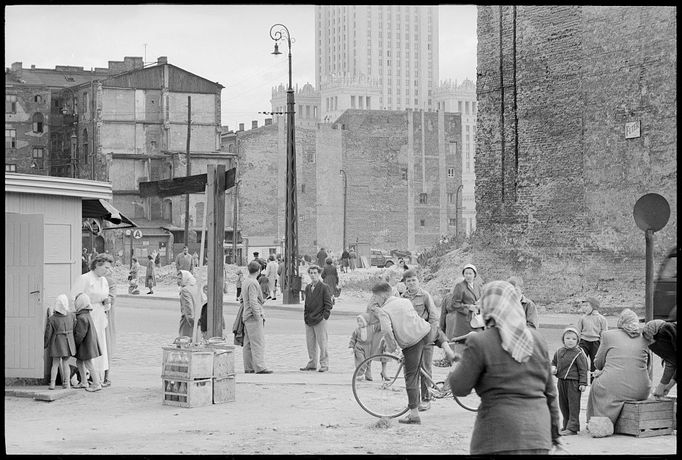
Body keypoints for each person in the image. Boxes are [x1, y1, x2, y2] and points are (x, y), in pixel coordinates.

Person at [447, 280, 561, 454]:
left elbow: (460, 387)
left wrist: (458, 364)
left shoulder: (480, 341)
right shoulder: (537, 340)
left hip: (497, 437)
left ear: (486, 306)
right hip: (538, 436)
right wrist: (554, 433)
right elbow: (550, 393)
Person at [368, 281, 433, 425]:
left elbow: (386, 330)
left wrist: (393, 348)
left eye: (376, 297)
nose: (375, 300)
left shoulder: (384, 310)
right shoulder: (405, 301)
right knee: (423, 367)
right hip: (426, 331)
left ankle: (414, 414)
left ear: (384, 295)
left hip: (412, 343)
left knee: (411, 376)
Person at [400, 269, 455, 412]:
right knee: (413, 370)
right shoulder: (403, 297)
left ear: (418, 281)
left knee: (425, 367)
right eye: (408, 281)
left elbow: (434, 316)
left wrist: (430, 334)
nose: (411, 283)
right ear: (405, 283)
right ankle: (415, 400)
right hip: (412, 337)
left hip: (425, 334)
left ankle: (426, 398)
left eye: (414, 280)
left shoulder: (425, 295)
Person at [586, 308, 651, 426]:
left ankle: (598, 421)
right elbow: (648, 366)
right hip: (641, 390)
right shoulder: (645, 339)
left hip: (613, 388)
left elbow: (598, 363)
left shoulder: (608, 335)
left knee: (596, 383)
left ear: (620, 321)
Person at [71, 252, 113, 388]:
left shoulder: (104, 281)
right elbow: (74, 297)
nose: (108, 270)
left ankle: (98, 375)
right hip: (87, 316)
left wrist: (107, 302)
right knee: (87, 344)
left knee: (99, 344)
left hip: (100, 315)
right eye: (106, 267)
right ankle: (86, 376)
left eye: (109, 268)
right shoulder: (85, 279)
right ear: (97, 265)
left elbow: (106, 300)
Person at [551, 327, 589, 435]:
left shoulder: (579, 353)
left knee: (573, 404)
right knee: (563, 404)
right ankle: (566, 425)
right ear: (563, 339)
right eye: (567, 338)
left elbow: (583, 369)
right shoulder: (559, 351)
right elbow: (553, 362)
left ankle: (573, 427)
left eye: (573, 339)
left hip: (574, 383)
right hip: (561, 381)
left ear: (577, 340)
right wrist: (553, 368)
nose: (570, 340)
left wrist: (583, 383)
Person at [241, 260, 273, 374]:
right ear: (259, 270)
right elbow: (253, 301)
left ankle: (248, 367)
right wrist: (258, 315)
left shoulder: (246, 281)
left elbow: (242, 299)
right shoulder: (253, 283)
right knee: (258, 342)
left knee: (248, 343)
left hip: (246, 315)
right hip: (253, 316)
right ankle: (260, 367)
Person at [300, 264, 333, 372]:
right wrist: (305, 316)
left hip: (320, 319)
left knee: (322, 343)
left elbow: (328, 304)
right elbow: (307, 304)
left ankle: (324, 364)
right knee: (310, 343)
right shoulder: (308, 287)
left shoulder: (324, 287)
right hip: (309, 319)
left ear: (319, 274)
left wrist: (324, 317)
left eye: (315, 273)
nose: (313, 275)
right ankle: (312, 363)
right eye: (311, 273)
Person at [443, 263, 482, 351]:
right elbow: (454, 304)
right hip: (463, 320)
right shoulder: (460, 286)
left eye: (470, 273)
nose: (468, 276)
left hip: (476, 319)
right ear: (463, 274)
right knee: (463, 345)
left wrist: (479, 304)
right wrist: (468, 307)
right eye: (466, 273)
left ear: (474, 275)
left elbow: (480, 299)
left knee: (477, 345)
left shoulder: (477, 286)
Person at [44, 294, 76, 390]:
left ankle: (52, 384)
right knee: (66, 363)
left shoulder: (52, 318)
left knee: (55, 364)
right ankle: (67, 383)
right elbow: (74, 327)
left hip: (56, 343)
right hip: (68, 343)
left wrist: (45, 344)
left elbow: (48, 334)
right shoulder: (71, 315)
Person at [73, 293, 103, 392]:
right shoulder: (86, 314)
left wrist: (74, 344)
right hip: (87, 344)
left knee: (88, 363)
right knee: (79, 362)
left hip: (85, 345)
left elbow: (79, 335)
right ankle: (84, 382)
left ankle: (96, 383)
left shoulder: (81, 317)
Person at [577, 296, 608, 382]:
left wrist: (603, 343)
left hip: (595, 342)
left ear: (594, 307)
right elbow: (578, 330)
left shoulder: (601, 319)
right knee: (580, 360)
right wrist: (577, 341)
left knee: (595, 362)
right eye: (583, 306)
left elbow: (604, 332)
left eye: (587, 305)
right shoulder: (583, 318)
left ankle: (594, 380)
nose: (584, 308)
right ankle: (580, 378)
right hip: (583, 341)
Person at [642, 320, 677, 398]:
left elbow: (671, 363)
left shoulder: (663, 334)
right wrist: (668, 385)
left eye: (651, 342)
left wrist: (661, 386)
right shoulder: (671, 333)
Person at [177, 270, 202, 341]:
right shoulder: (196, 287)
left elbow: (188, 308)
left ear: (185, 279)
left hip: (188, 323)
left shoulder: (185, 290)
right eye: (177, 278)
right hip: (198, 321)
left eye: (180, 279)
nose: (178, 281)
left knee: (185, 344)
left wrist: (192, 322)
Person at [103, 265, 117, 387]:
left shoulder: (109, 281)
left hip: (105, 316)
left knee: (105, 345)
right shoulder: (95, 279)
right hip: (100, 316)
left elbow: (110, 298)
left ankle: (105, 376)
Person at [349, 313, 373, 380]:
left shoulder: (371, 329)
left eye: (361, 321)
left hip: (369, 348)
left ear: (366, 321)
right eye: (358, 321)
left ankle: (368, 375)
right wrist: (351, 347)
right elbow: (353, 339)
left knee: (368, 362)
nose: (359, 323)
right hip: (359, 347)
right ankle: (359, 375)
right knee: (361, 361)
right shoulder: (357, 330)